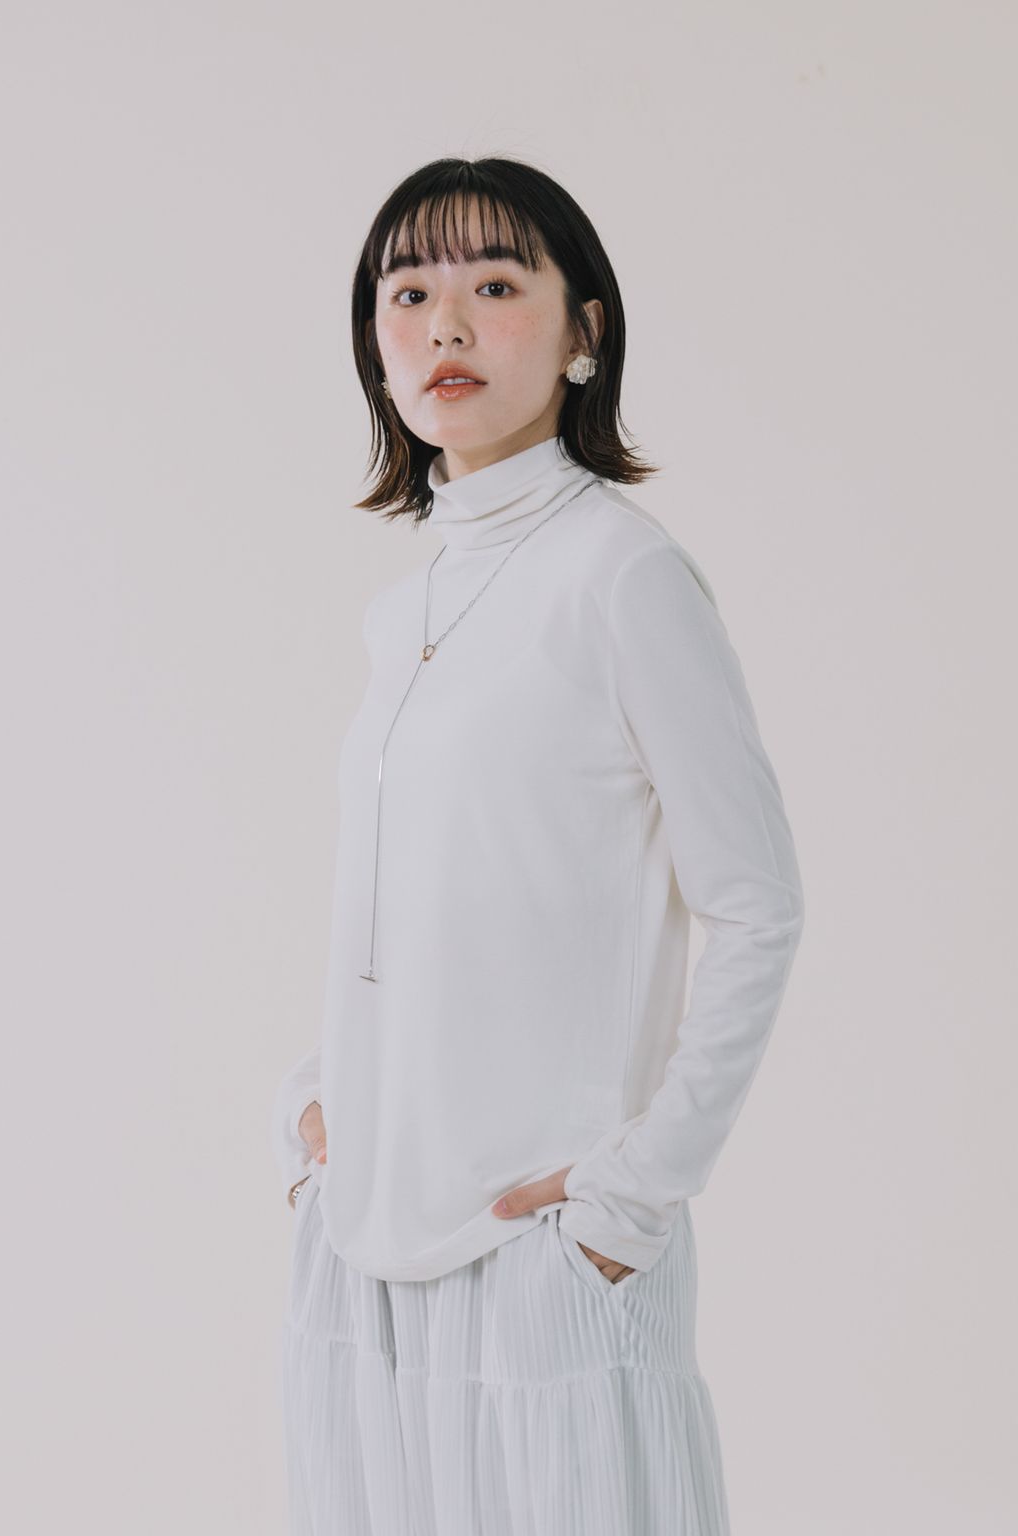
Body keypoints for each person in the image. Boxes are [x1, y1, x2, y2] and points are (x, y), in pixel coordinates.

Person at [270, 156, 805, 1536]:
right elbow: (426, 893)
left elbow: (757, 903)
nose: (446, 325)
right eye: (408, 293)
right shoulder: (404, 609)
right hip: (365, 1246)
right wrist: (323, 1101)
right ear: (374, 343)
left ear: (584, 332)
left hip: (539, 1254)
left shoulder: (625, 575)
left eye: (497, 285)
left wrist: (637, 1197)